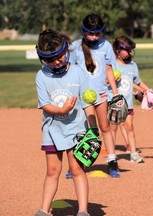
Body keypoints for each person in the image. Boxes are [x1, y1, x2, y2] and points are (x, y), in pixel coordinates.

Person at [34, 29, 99, 216]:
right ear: (43, 59)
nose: (57, 61)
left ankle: (83, 211)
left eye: (60, 56)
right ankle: (44, 210)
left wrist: (93, 129)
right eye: (51, 59)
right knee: (53, 170)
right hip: (52, 130)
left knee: (77, 169)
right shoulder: (42, 76)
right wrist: (62, 110)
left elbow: (88, 104)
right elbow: (45, 104)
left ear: (66, 50)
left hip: (76, 128)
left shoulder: (79, 72)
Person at [69, 13, 120, 178]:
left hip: (102, 94)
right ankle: (79, 162)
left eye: (97, 33)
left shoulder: (106, 46)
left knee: (105, 127)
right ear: (83, 31)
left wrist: (116, 93)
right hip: (84, 97)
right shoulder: (76, 47)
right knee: (89, 130)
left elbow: (109, 70)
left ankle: (112, 160)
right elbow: (71, 72)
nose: (94, 36)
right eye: (91, 33)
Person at [108, 35, 149, 163]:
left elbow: (138, 81)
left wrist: (148, 91)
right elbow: (104, 82)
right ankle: (111, 155)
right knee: (113, 127)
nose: (129, 53)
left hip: (128, 103)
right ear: (118, 50)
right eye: (126, 50)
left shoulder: (132, 65)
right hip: (114, 102)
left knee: (130, 126)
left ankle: (133, 154)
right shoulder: (111, 65)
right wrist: (111, 80)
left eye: (130, 50)